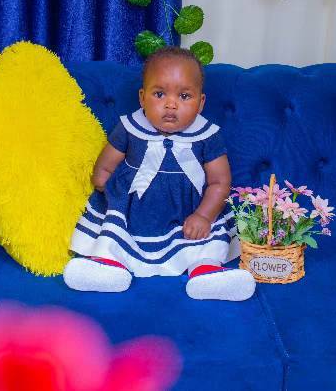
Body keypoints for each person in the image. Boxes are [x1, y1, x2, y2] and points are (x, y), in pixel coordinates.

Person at [63, 47, 255, 301]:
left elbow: (220, 182)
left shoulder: (207, 135)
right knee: (115, 233)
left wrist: (204, 216)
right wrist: (104, 183)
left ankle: (207, 273)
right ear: (142, 98)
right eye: (159, 94)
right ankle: (108, 267)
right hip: (134, 211)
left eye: (184, 96)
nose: (171, 104)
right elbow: (106, 164)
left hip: (188, 213)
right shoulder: (130, 127)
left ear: (201, 103)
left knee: (206, 243)